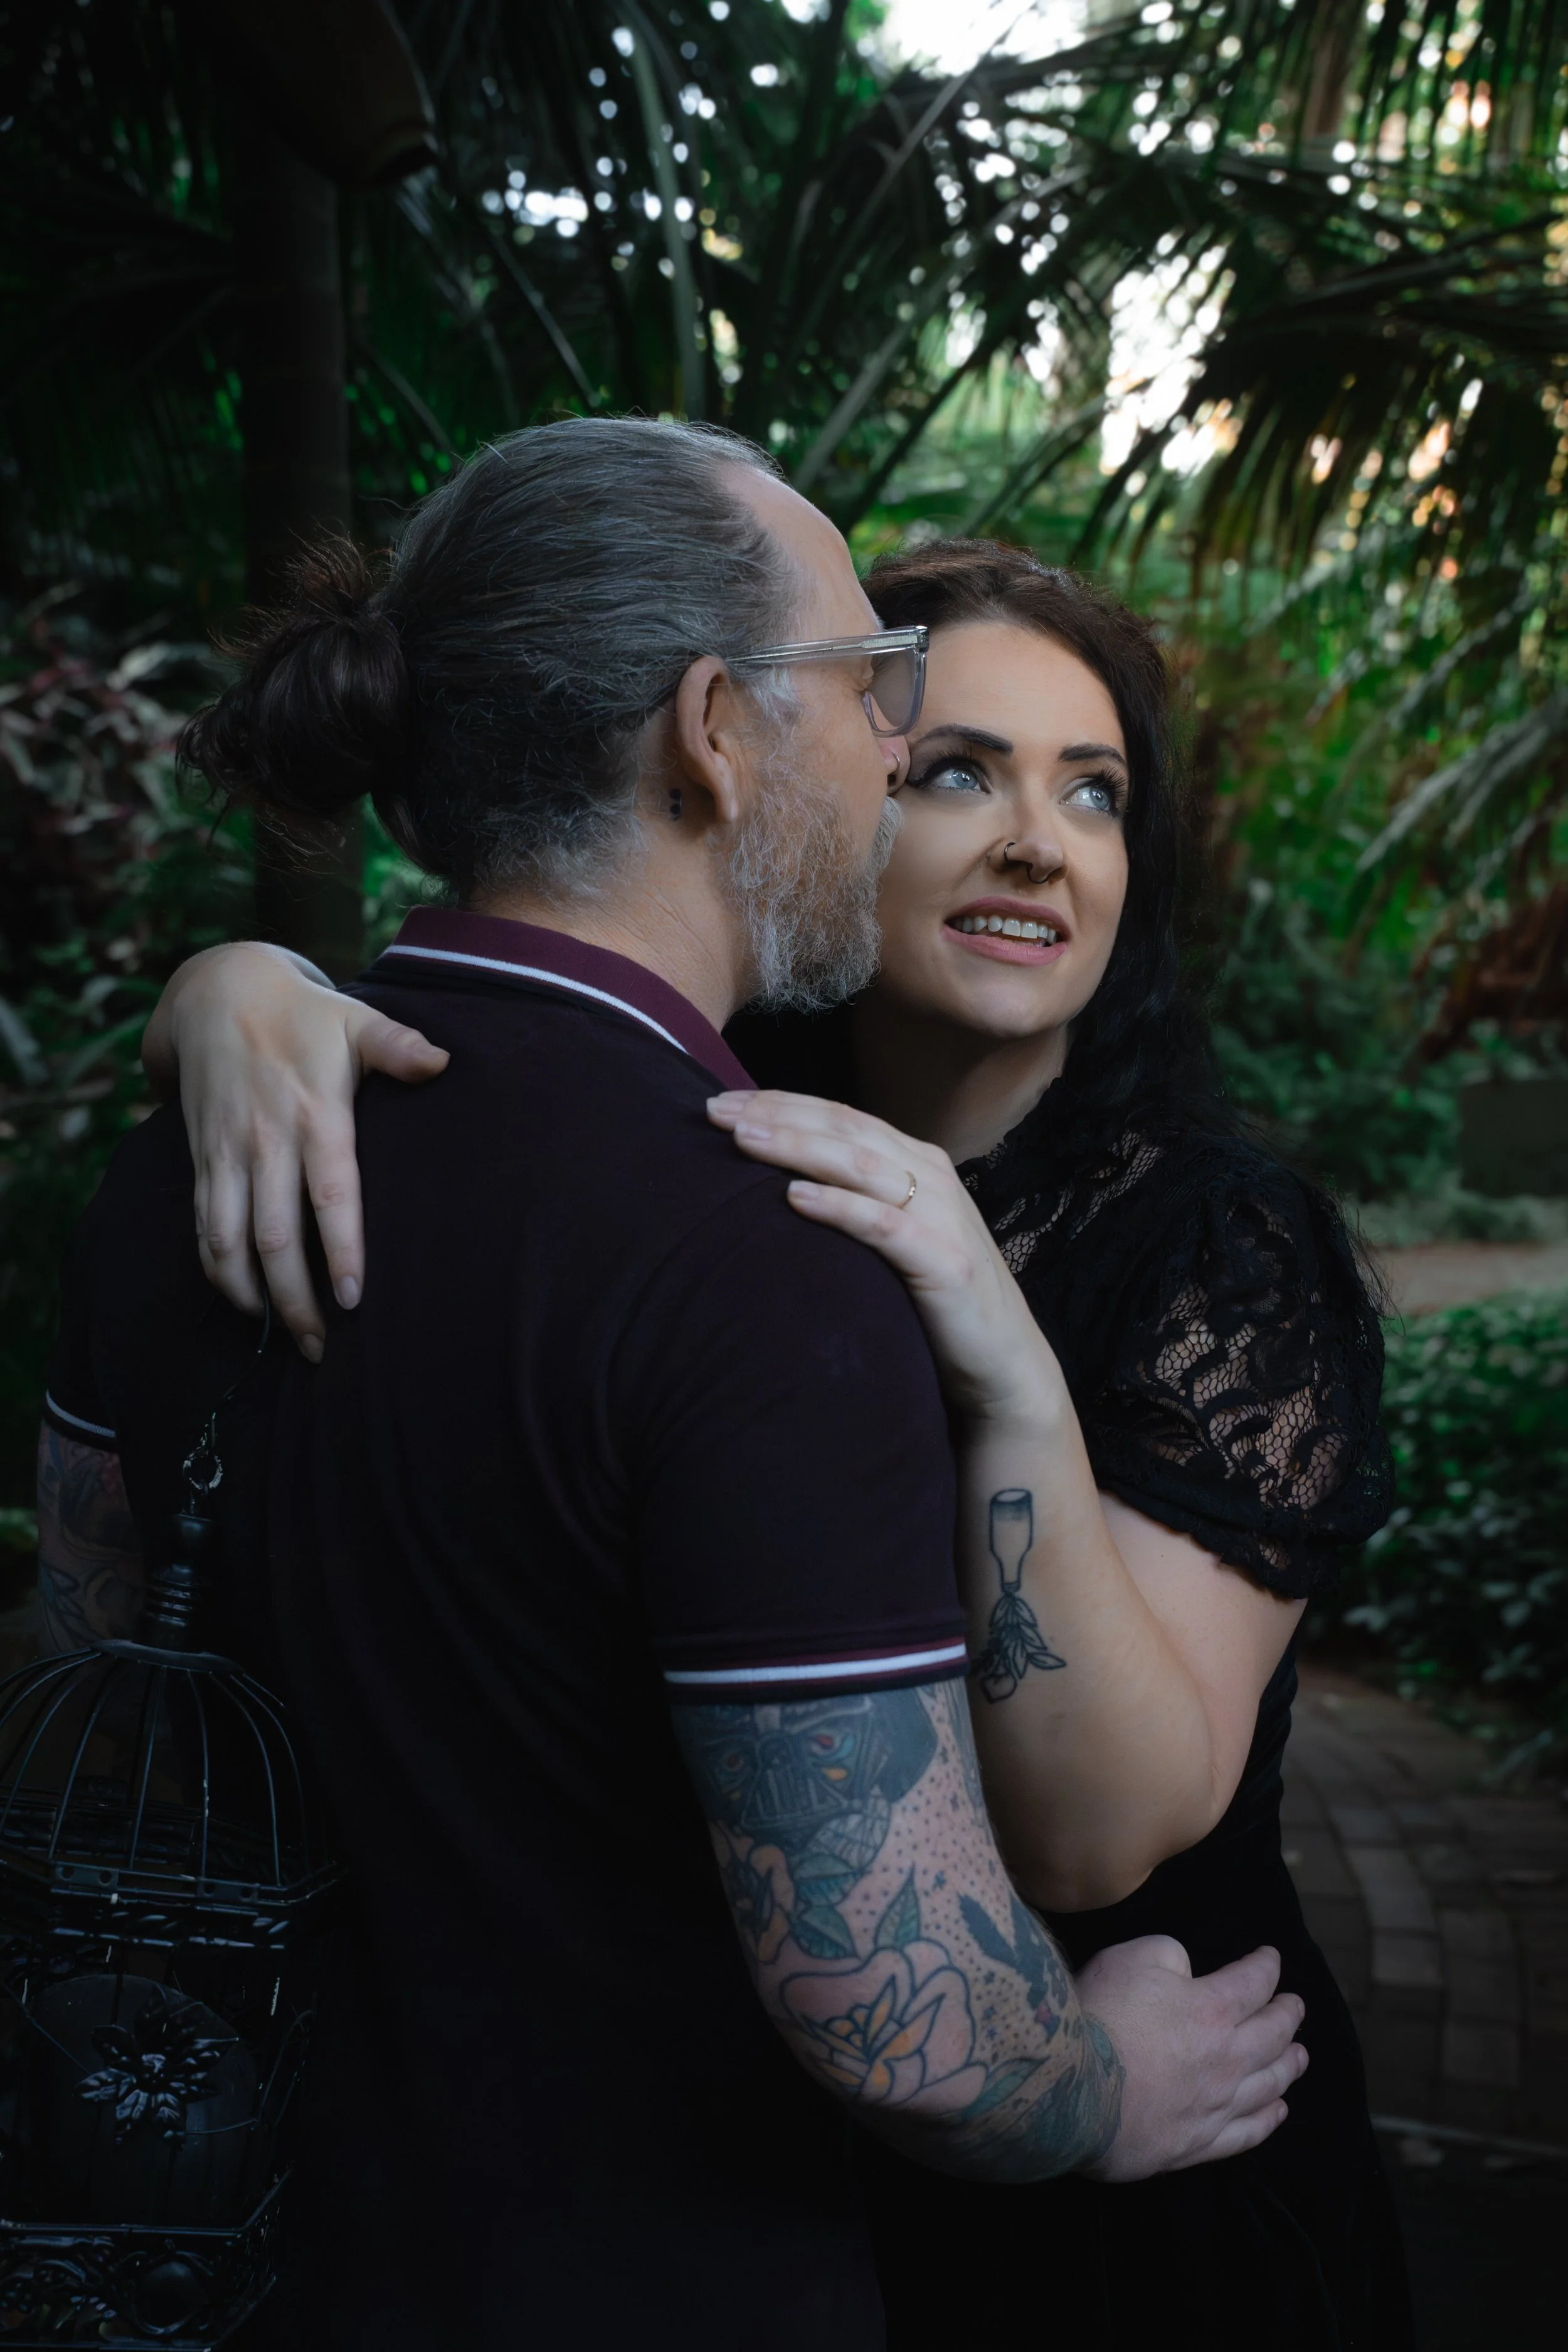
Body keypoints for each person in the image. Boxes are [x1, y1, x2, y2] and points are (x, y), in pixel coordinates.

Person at [37, 423, 1308, 2352]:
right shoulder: (765, 1250)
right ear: (715, 729)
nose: (894, 750)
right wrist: (1105, 2080)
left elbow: (97, 1702)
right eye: (878, 698)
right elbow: (909, 2015)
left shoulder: (187, 1172)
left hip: (238, 2254)